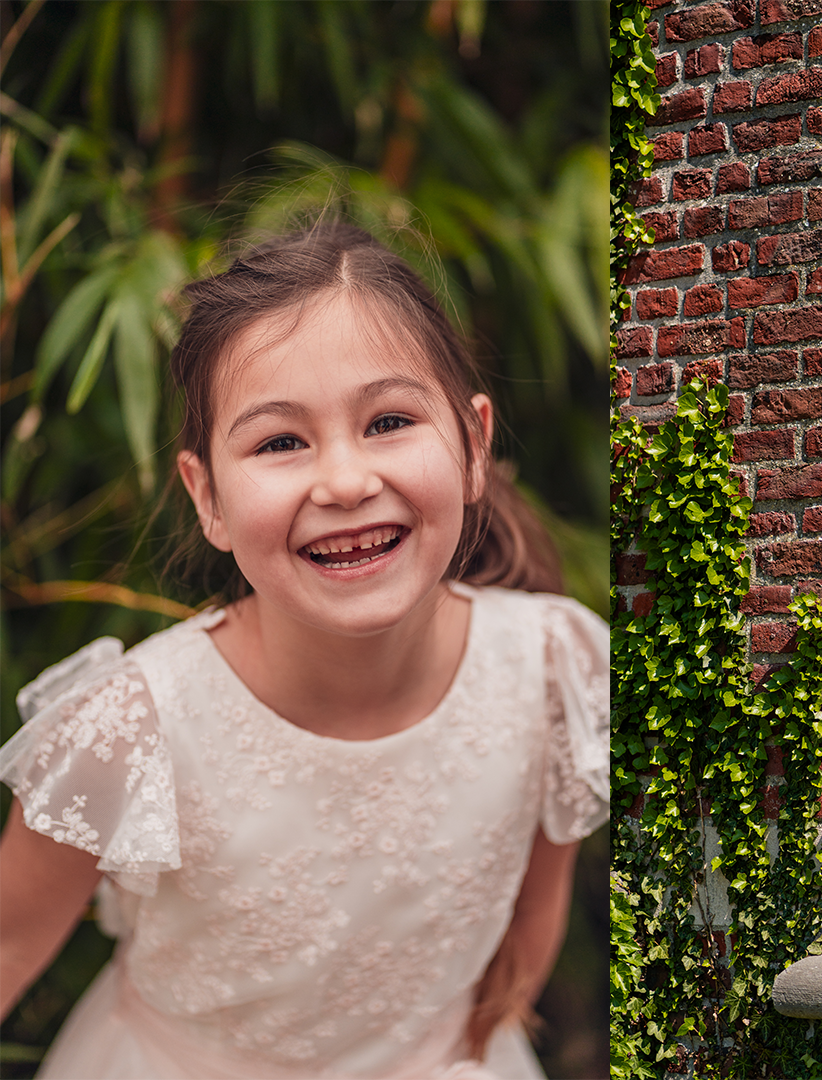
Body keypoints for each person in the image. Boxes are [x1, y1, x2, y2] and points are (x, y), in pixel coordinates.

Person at [0, 223, 609, 1079]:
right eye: (280, 441)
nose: (346, 482)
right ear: (206, 495)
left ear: (474, 445)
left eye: (389, 421)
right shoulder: (131, 727)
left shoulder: (554, 669)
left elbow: (520, 948)